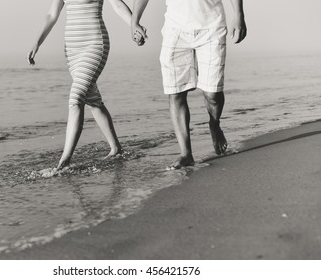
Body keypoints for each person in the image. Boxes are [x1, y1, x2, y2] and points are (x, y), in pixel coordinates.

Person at [27, 0, 145, 177]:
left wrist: (134, 26)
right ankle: (116, 148)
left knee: (76, 98)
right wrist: (37, 42)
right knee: (93, 100)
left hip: (95, 44)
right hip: (72, 50)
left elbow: (117, 5)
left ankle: (65, 160)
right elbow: (52, 14)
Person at [131, 0, 247, 169]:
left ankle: (214, 124)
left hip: (212, 26)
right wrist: (134, 22)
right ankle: (186, 154)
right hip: (175, 29)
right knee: (176, 92)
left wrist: (238, 15)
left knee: (212, 93)